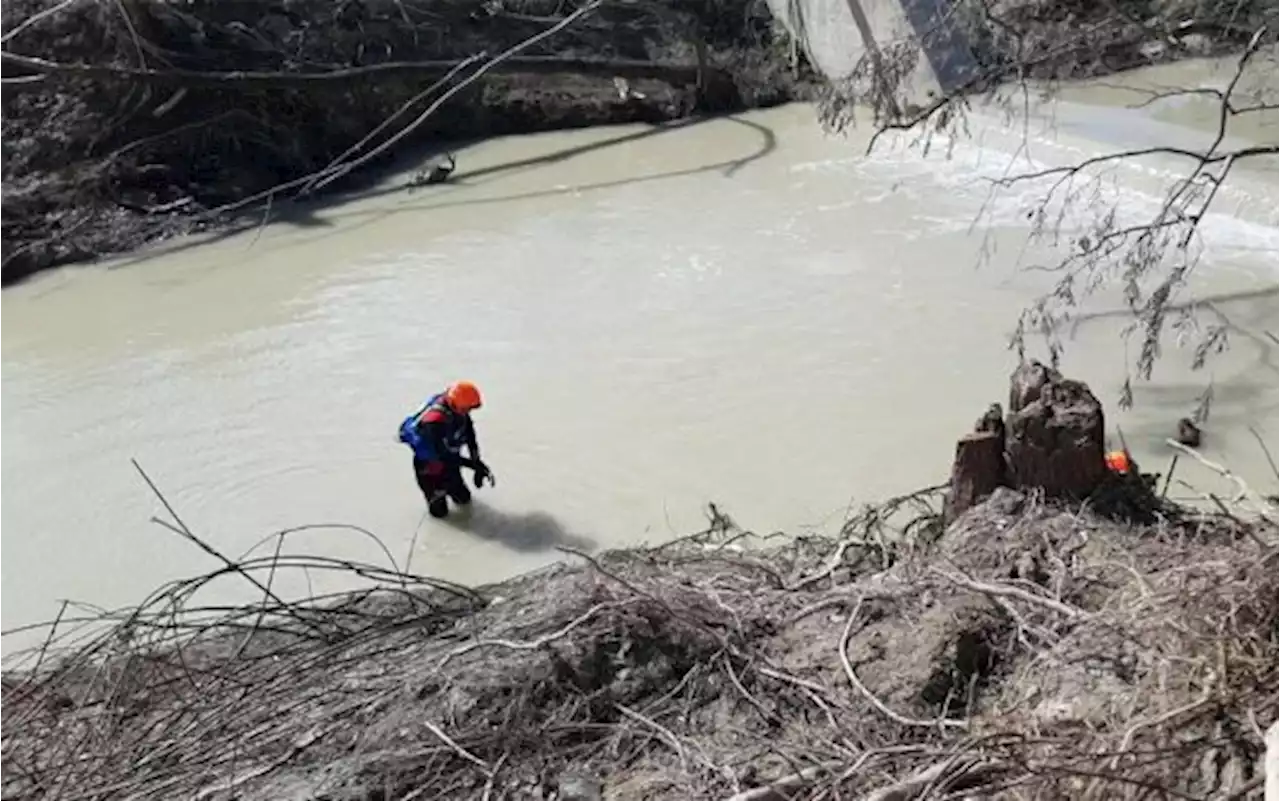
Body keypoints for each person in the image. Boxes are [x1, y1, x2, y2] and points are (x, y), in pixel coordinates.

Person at [398, 381, 493, 518]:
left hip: (450, 461)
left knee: (464, 499)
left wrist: (477, 462)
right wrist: (472, 465)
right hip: (428, 469)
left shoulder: (458, 408)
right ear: (455, 404)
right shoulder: (433, 423)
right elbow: (444, 455)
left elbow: (469, 434)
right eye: (467, 409)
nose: (468, 412)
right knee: (440, 513)